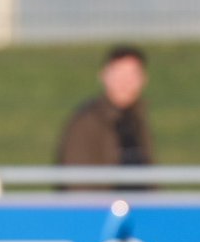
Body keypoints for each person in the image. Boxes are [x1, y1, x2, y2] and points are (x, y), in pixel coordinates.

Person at [55, 45, 154, 189]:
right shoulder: (86, 122)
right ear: (104, 76)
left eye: (132, 75)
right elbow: (76, 181)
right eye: (119, 74)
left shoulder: (137, 119)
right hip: (99, 209)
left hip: (135, 209)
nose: (125, 82)